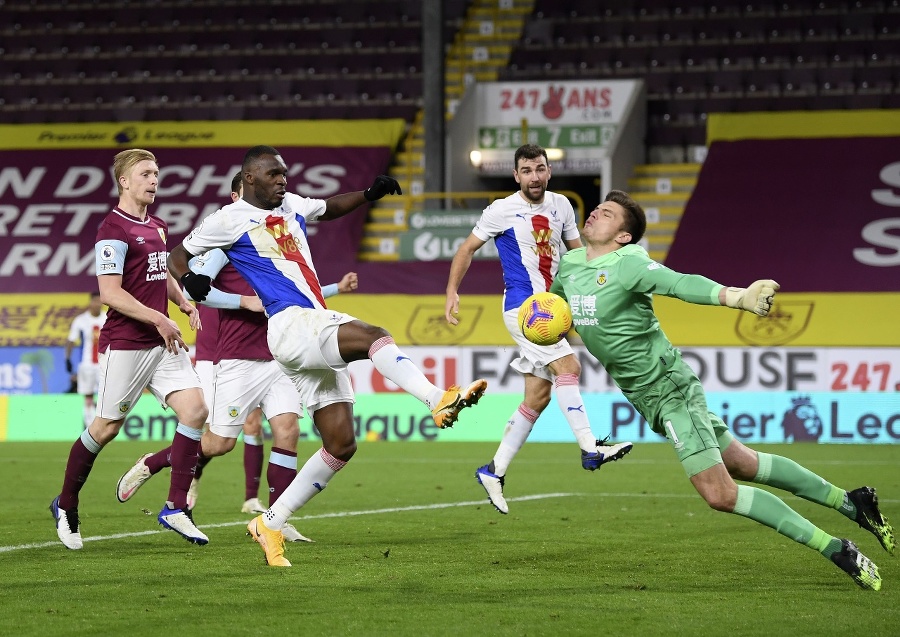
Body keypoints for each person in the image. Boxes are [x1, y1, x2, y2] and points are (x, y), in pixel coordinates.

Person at [548, 189, 894, 591]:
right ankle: (853, 502)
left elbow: (680, 284)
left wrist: (738, 297)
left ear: (623, 236)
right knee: (744, 463)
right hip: (648, 398)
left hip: (668, 389)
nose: (593, 216)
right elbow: (552, 312)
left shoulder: (628, 263)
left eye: (606, 214)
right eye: (596, 210)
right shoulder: (570, 265)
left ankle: (835, 548)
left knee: (719, 493)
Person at [168, 145, 488, 566]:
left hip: (307, 326)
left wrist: (368, 195)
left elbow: (330, 207)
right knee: (374, 335)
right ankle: (436, 399)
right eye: (273, 174)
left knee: (341, 444)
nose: (283, 179)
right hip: (289, 322)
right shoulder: (226, 220)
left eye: (284, 173)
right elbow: (175, 257)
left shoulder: (292, 204)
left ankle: (270, 522)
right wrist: (189, 279)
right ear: (249, 178)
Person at [116, 172, 358, 546]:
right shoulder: (223, 240)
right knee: (218, 443)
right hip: (237, 355)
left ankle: (277, 517)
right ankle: (153, 462)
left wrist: (335, 289)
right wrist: (242, 301)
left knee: (288, 431)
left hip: (280, 353)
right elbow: (199, 289)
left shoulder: (280, 233)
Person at [444, 143, 633, 515]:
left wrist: (604, 279)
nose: (534, 176)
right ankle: (589, 447)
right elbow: (466, 249)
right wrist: (452, 290)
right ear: (516, 176)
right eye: (527, 170)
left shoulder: (562, 205)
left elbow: (578, 255)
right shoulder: (501, 210)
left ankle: (493, 471)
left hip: (553, 305)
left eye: (540, 169)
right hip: (526, 308)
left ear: (549, 172)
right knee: (570, 367)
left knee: (537, 397)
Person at [50, 148, 210, 549]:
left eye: (156, 173)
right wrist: (158, 317)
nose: (154, 180)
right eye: (146, 173)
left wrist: (183, 303)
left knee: (196, 411)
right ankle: (66, 503)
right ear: (125, 181)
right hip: (128, 342)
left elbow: (162, 273)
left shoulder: (157, 225)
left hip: (163, 341)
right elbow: (110, 293)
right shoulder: (112, 229)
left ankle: (175, 507)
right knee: (106, 427)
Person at [64, 291, 106, 428]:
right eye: (95, 301)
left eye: (100, 301)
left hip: (104, 364)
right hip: (87, 365)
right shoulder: (81, 320)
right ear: (91, 302)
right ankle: (89, 428)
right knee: (88, 396)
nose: (98, 304)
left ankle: (102, 428)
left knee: (104, 396)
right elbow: (71, 340)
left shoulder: (107, 318)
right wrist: (67, 359)